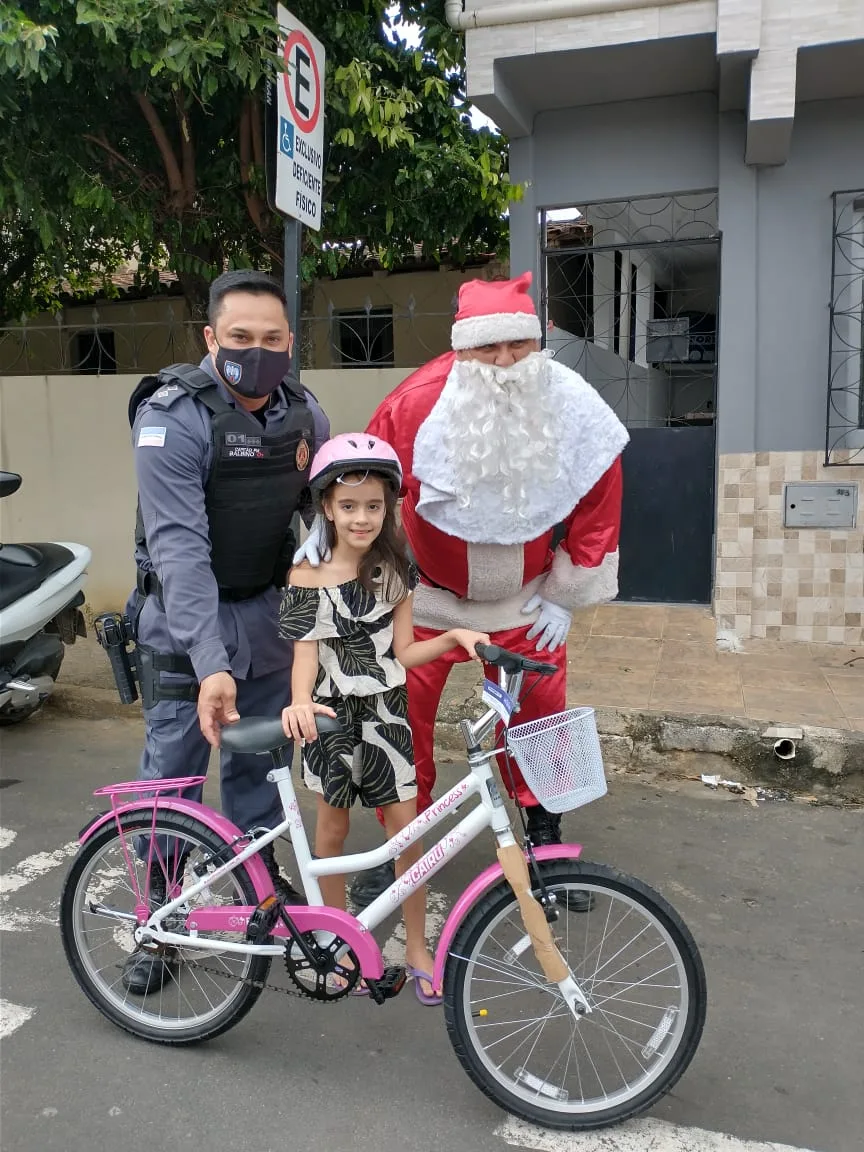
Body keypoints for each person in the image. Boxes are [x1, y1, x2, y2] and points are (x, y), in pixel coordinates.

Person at [298, 272, 629, 910]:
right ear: (461, 348)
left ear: (538, 343)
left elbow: (599, 494)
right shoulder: (415, 401)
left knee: (542, 724)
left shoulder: (571, 402)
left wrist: (565, 593)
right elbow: (367, 478)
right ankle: (400, 847)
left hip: (524, 604)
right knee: (395, 725)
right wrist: (336, 540)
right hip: (424, 603)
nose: (504, 362)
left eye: (518, 345)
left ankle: (544, 844)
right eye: (488, 347)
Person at [122, 269, 330, 996]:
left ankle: (260, 902)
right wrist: (211, 663)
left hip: (269, 623)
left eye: (273, 339)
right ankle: (155, 923)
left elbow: (323, 531)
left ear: (290, 343)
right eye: (240, 337)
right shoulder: (172, 418)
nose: (257, 350)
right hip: (184, 632)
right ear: (211, 339)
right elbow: (179, 551)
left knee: (262, 780)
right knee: (171, 788)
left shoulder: (306, 417)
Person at [279, 433, 489, 1004]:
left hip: (387, 716)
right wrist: (299, 701)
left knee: (407, 833)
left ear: (388, 508)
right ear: (327, 507)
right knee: (333, 830)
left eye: (374, 506)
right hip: (327, 717)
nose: (362, 517)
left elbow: (401, 653)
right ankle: (333, 936)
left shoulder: (396, 570)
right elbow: (304, 653)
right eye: (349, 506)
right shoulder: (306, 576)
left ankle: (417, 945)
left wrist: (449, 636)